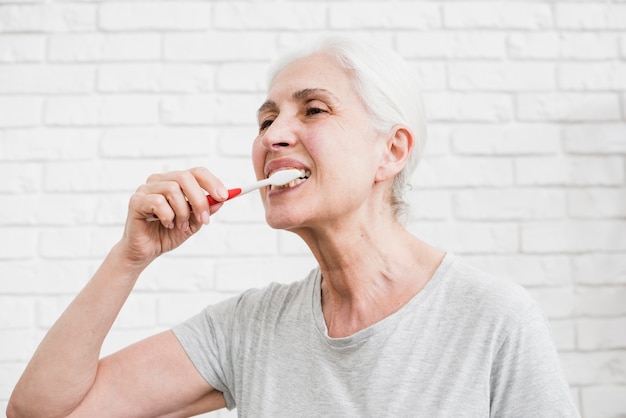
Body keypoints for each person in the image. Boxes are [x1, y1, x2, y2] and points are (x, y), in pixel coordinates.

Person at [7, 37, 579, 418]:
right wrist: (127, 258)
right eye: (266, 118)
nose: (273, 135)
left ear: (391, 152)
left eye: (314, 110)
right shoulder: (248, 330)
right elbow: (42, 413)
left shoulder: (493, 319)